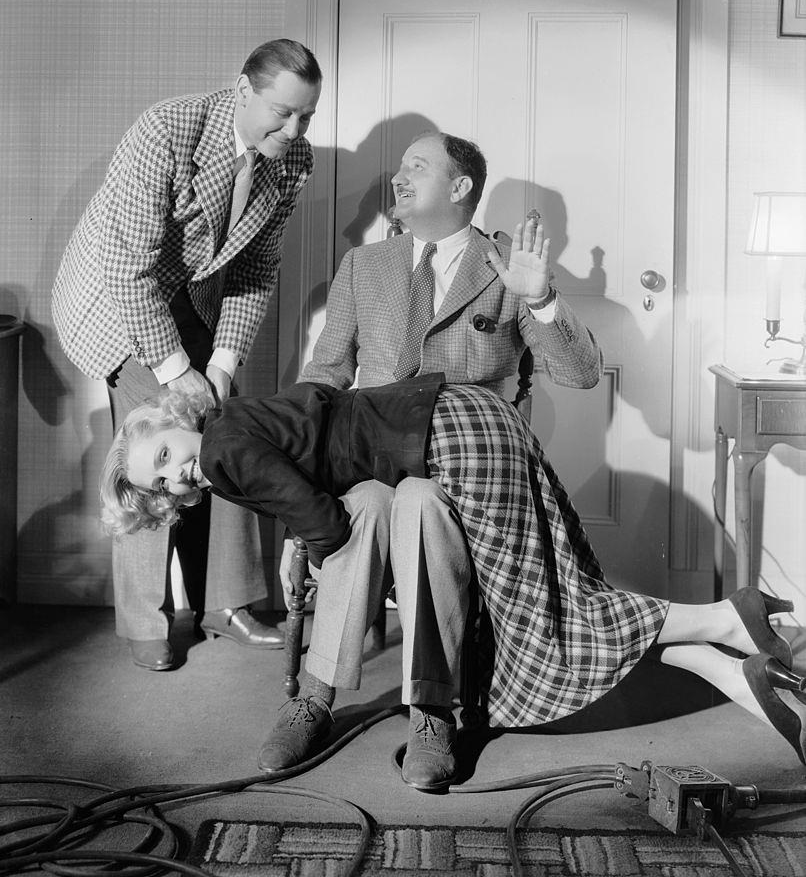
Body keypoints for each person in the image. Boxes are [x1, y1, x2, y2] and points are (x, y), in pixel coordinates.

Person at [99, 377, 806, 782]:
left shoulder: (223, 455)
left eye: (164, 454)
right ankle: (717, 658)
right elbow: (317, 422)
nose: (174, 475)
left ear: (173, 421)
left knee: (542, 612)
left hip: (448, 443)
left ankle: (722, 618)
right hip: (451, 424)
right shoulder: (234, 425)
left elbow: (320, 517)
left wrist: (313, 552)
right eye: (160, 481)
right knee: (551, 594)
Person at [274, 130, 604, 787]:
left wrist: (539, 299)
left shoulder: (508, 268)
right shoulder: (363, 266)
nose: (398, 178)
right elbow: (328, 371)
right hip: (368, 451)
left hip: (462, 467)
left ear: (460, 189)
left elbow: (582, 374)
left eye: (417, 168)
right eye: (399, 169)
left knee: (420, 505)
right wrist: (296, 471)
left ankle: (430, 709)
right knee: (366, 505)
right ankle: (315, 695)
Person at [52, 38, 322, 671]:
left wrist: (221, 366)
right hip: (118, 302)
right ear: (242, 89)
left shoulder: (292, 160)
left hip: (197, 304)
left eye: (307, 115)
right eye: (282, 112)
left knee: (224, 431)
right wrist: (176, 371)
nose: (294, 129)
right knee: (158, 449)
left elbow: (256, 267)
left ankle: (226, 603)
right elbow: (130, 270)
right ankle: (144, 620)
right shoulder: (166, 130)